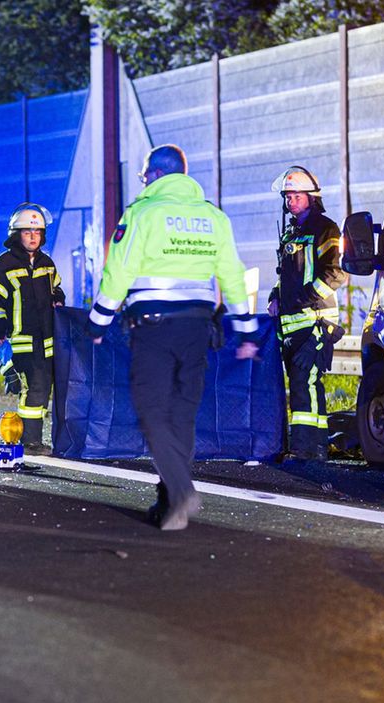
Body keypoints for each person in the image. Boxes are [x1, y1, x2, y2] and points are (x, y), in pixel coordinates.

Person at [88, 144, 256, 531]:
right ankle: (170, 507)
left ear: (156, 174)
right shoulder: (213, 217)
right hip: (198, 328)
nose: (144, 180)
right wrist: (246, 331)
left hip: (154, 328)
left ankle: (181, 491)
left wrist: (97, 323)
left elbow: (119, 273)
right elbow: (232, 275)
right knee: (182, 415)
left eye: (145, 174)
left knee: (152, 413)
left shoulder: (143, 213)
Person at [268, 166, 346, 461]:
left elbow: (336, 272)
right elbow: (285, 275)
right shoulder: (291, 232)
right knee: (300, 386)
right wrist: (276, 297)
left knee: (308, 384)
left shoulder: (325, 229)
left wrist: (306, 298)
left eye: (296, 196)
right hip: (291, 325)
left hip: (315, 322)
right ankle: (306, 446)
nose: (291, 202)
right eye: (288, 197)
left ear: (311, 197)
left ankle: (310, 449)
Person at [0, 203, 63, 455]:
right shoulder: (4, 264)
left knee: (43, 388)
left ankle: (31, 437)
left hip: (47, 341)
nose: (33, 237)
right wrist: (0, 331)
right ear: (16, 234)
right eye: (28, 232)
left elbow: (57, 288)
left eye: (37, 232)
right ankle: (29, 441)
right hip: (21, 340)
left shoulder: (47, 263)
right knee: (34, 389)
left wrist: (58, 296)